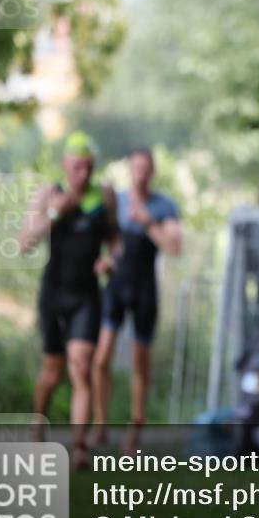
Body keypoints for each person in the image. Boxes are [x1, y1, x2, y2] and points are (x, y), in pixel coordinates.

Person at [18, 132, 118, 469]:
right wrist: (54, 214)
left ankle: (78, 448)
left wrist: (111, 260)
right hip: (54, 294)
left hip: (87, 295)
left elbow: (115, 240)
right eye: (76, 167)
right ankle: (38, 422)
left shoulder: (104, 198)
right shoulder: (50, 194)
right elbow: (24, 242)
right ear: (65, 165)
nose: (83, 175)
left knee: (82, 364)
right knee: (52, 373)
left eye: (88, 168)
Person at [91, 147, 181, 453]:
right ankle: (100, 424)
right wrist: (104, 260)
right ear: (129, 170)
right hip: (116, 286)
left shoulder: (163, 206)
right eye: (136, 168)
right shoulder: (116, 201)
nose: (140, 174)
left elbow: (174, 246)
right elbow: (106, 240)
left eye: (146, 169)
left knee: (139, 363)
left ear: (152, 172)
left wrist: (148, 223)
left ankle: (134, 430)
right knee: (101, 358)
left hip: (144, 289)